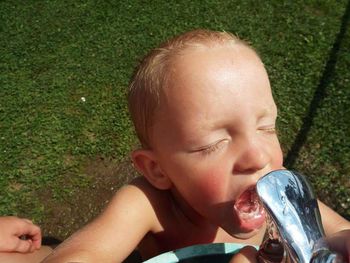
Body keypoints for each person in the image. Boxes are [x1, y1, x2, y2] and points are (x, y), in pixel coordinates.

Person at [42, 29, 350, 263]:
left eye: (266, 127)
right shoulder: (150, 206)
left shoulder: (284, 200)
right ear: (158, 169)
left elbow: (342, 233)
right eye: (213, 144)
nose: (258, 157)